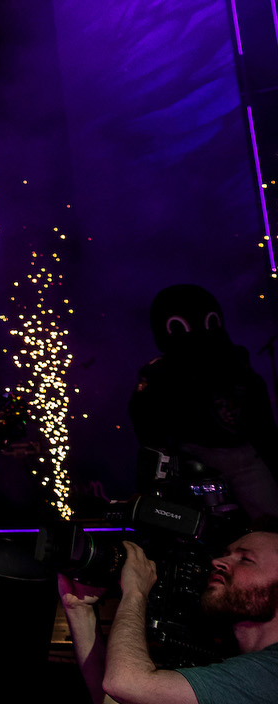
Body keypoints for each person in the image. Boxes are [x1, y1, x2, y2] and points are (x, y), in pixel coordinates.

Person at [61, 530, 278, 704]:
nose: (218, 562)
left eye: (245, 559)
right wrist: (79, 610)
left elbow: (125, 684)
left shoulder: (271, 672)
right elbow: (116, 698)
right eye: (226, 553)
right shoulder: (245, 669)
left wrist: (136, 590)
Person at [130, 285, 278, 519]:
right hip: (196, 457)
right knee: (203, 521)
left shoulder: (236, 364)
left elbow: (261, 420)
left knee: (268, 518)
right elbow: (145, 419)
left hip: (243, 453)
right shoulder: (161, 374)